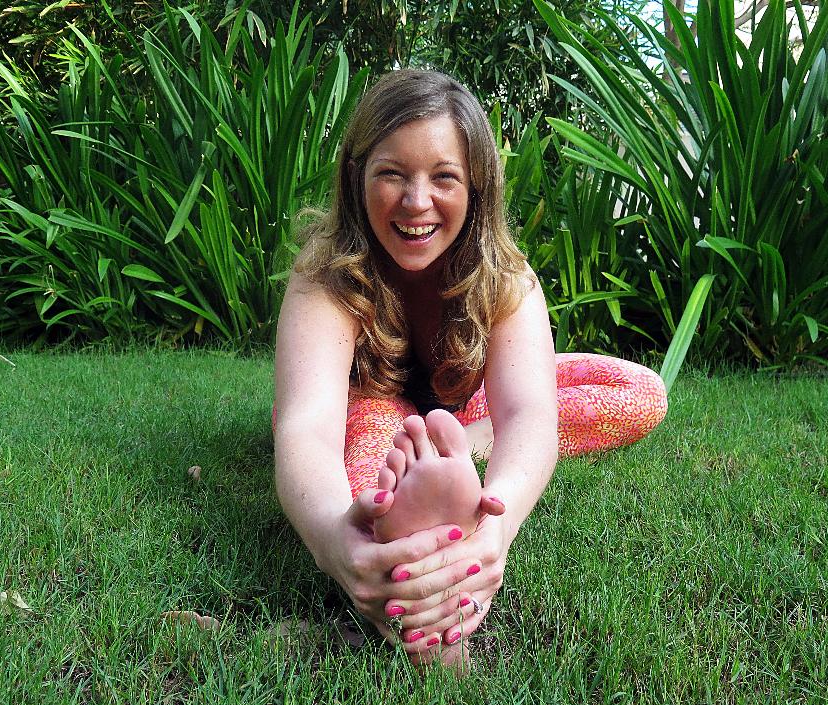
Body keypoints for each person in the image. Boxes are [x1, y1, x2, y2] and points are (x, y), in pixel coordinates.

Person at [273, 69, 667, 668]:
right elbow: (306, 426)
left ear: (477, 185)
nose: (416, 201)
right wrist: (333, 538)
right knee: (381, 455)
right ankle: (420, 494)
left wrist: (495, 531)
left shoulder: (505, 277)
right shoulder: (326, 277)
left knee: (640, 391)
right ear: (356, 177)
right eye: (392, 173)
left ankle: (461, 445)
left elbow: (531, 414)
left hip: (468, 409)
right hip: (369, 412)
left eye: (444, 177)